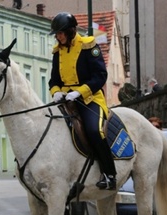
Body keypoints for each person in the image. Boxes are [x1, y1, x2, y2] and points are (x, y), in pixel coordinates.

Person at [48, 12, 116, 190]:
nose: (58, 36)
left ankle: (109, 174)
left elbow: (100, 76)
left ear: (70, 31)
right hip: (65, 99)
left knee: (94, 131)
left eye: (61, 33)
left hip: (89, 99)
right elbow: (53, 80)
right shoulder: (57, 52)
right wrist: (55, 92)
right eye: (56, 34)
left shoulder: (88, 45)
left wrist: (79, 92)